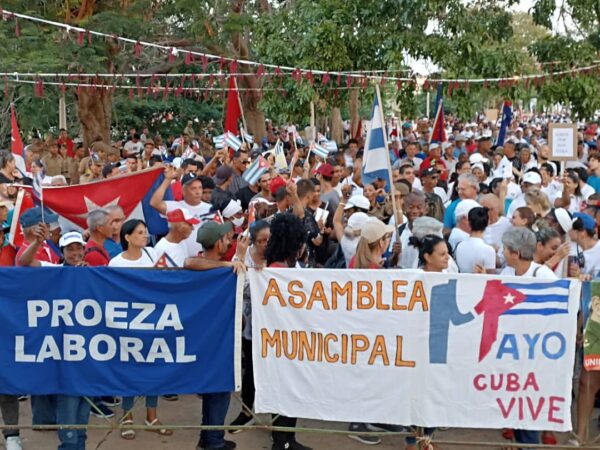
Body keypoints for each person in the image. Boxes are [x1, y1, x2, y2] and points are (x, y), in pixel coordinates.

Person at [184, 220, 246, 450]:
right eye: (226, 238)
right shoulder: (208, 265)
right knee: (218, 392)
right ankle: (214, 441)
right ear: (217, 242)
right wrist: (232, 262)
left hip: (211, 338)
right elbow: (189, 262)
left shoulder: (218, 265)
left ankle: (209, 437)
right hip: (212, 342)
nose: (229, 242)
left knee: (214, 392)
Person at [107, 220, 170, 439]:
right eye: (140, 232)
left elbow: (165, 281)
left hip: (153, 322)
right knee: (129, 370)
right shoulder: (115, 263)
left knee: (153, 368)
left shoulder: (153, 255)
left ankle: (151, 415)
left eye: (146, 232)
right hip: (126, 325)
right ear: (127, 237)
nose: (145, 236)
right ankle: (127, 416)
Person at [500, 227, 556, 448]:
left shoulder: (543, 276)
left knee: (529, 405)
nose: (502, 252)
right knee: (515, 405)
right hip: (510, 352)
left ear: (515, 253)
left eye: (505, 249)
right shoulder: (507, 274)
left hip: (535, 354)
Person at [229, 220, 270, 433]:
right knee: (251, 371)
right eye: (261, 241)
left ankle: (276, 414)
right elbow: (235, 282)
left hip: (274, 326)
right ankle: (246, 412)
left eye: (268, 240)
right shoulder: (241, 255)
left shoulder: (279, 257)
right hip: (249, 325)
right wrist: (243, 258)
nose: (265, 244)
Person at [150, 167, 213, 257]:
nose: (198, 192)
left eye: (200, 188)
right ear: (183, 191)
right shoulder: (175, 207)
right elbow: (154, 203)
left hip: (204, 261)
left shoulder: (210, 208)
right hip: (181, 260)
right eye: (193, 188)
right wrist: (167, 180)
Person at [455, 207, 496, 274]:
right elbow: (491, 277)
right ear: (488, 222)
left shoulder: (459, 246)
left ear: (469, 223)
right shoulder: (489, 250)